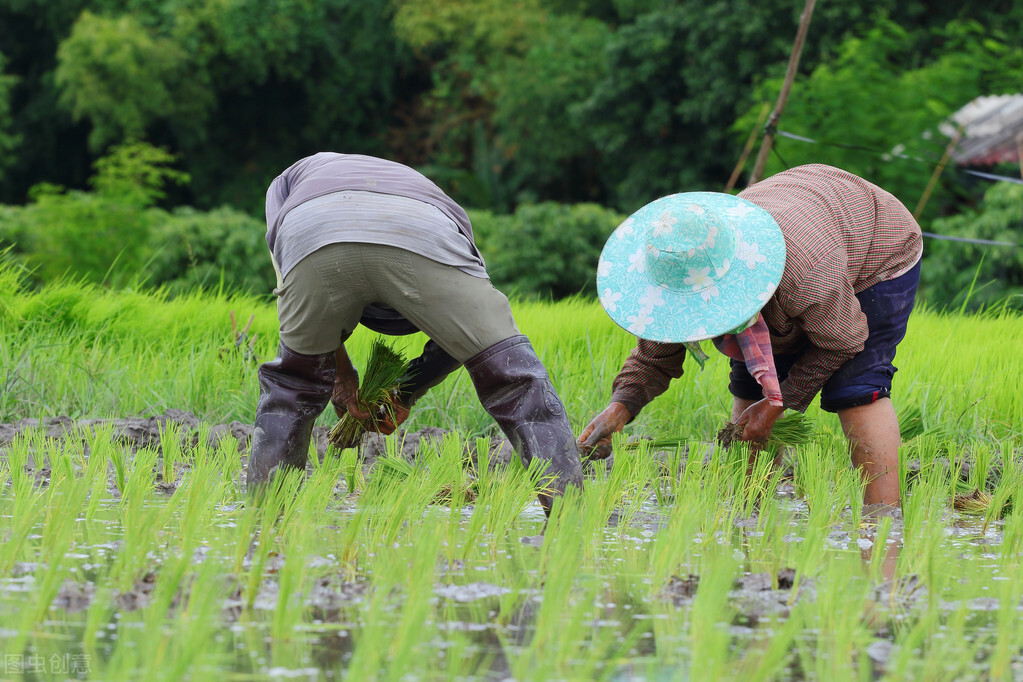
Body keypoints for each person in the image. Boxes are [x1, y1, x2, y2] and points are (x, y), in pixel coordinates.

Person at [247, 152, 583, 512]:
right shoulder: (426, 193)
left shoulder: (284, 192)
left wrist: (344, 377)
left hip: (310, 228)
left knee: (293, 385)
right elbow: (461, 339)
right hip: (418, 225)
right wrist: (405, 390)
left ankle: (265, 520)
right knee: (517, 381)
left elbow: (303, 301)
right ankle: (572, 517)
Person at [578, 164, 922, 509]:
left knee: (856, 389)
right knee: (750, 388)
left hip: (876, 247)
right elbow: (656, 354)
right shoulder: (682, 268)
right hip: (803, 221)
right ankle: (748, 514)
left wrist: (779, 404)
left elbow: (845, 339)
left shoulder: (806, 275)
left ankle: (883, 520)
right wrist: (620, 408)